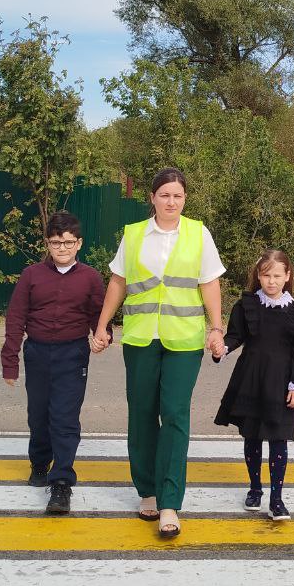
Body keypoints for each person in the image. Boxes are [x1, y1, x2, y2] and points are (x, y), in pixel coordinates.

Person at [90, 167, 225, 538]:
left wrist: (216, 328)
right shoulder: (133, 235)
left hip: (184, 341)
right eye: (164, 195)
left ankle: (170, 503)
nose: (171, 202)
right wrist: (102, 326)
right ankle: (146, 491)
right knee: (143, 414)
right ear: (152, 198)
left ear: (185, 199)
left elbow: (209, 282)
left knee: (176, 416)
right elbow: (118, 282)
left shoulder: (199, 233)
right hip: (140, 339)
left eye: (178, 196)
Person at [2, 210, 104, 516]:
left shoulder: (91, 277)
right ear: (47, 243)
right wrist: (10, 361)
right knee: (39, 414)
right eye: (56, 242)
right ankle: (39, 461)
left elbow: (98, 314)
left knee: (65, 418)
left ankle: (61, 482)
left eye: (68, 242)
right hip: (37, 353)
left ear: (79, 243)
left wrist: (103, 335)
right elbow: (16, 318)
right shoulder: (31, 275)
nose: (62, 248)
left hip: (73, 355)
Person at [212, 249, 294, 521]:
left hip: (281, 383)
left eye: (277, 275)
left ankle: (277, 499)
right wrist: (222, 348)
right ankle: (255, 489)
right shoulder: (246, 305)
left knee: (279, 439)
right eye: (266, 275)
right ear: (258, 275)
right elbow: (235, 337)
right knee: (252, 436)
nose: (271, 281)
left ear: (287, 276)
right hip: (251, 378)